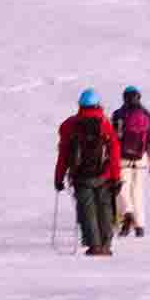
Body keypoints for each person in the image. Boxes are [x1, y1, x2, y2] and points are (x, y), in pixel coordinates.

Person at [55, 88, 122, 256]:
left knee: (87, 210)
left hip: (80, 176)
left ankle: (95, 246)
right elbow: (114, 151)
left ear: (80, 105)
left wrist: (59, 177)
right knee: (104, 207)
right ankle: (106, 245)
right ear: (97, 104)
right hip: (103, 175)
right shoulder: (105, 123)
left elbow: (63, 153)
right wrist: (116, 177)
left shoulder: (69, 125)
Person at [110, 86, 150, 238]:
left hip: (122, 158)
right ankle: (139, 226)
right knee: (137, 191)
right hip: (141, 159)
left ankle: (127, 214)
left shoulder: (118, 115)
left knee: (121, 189)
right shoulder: (146, 115)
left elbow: (113, 140)